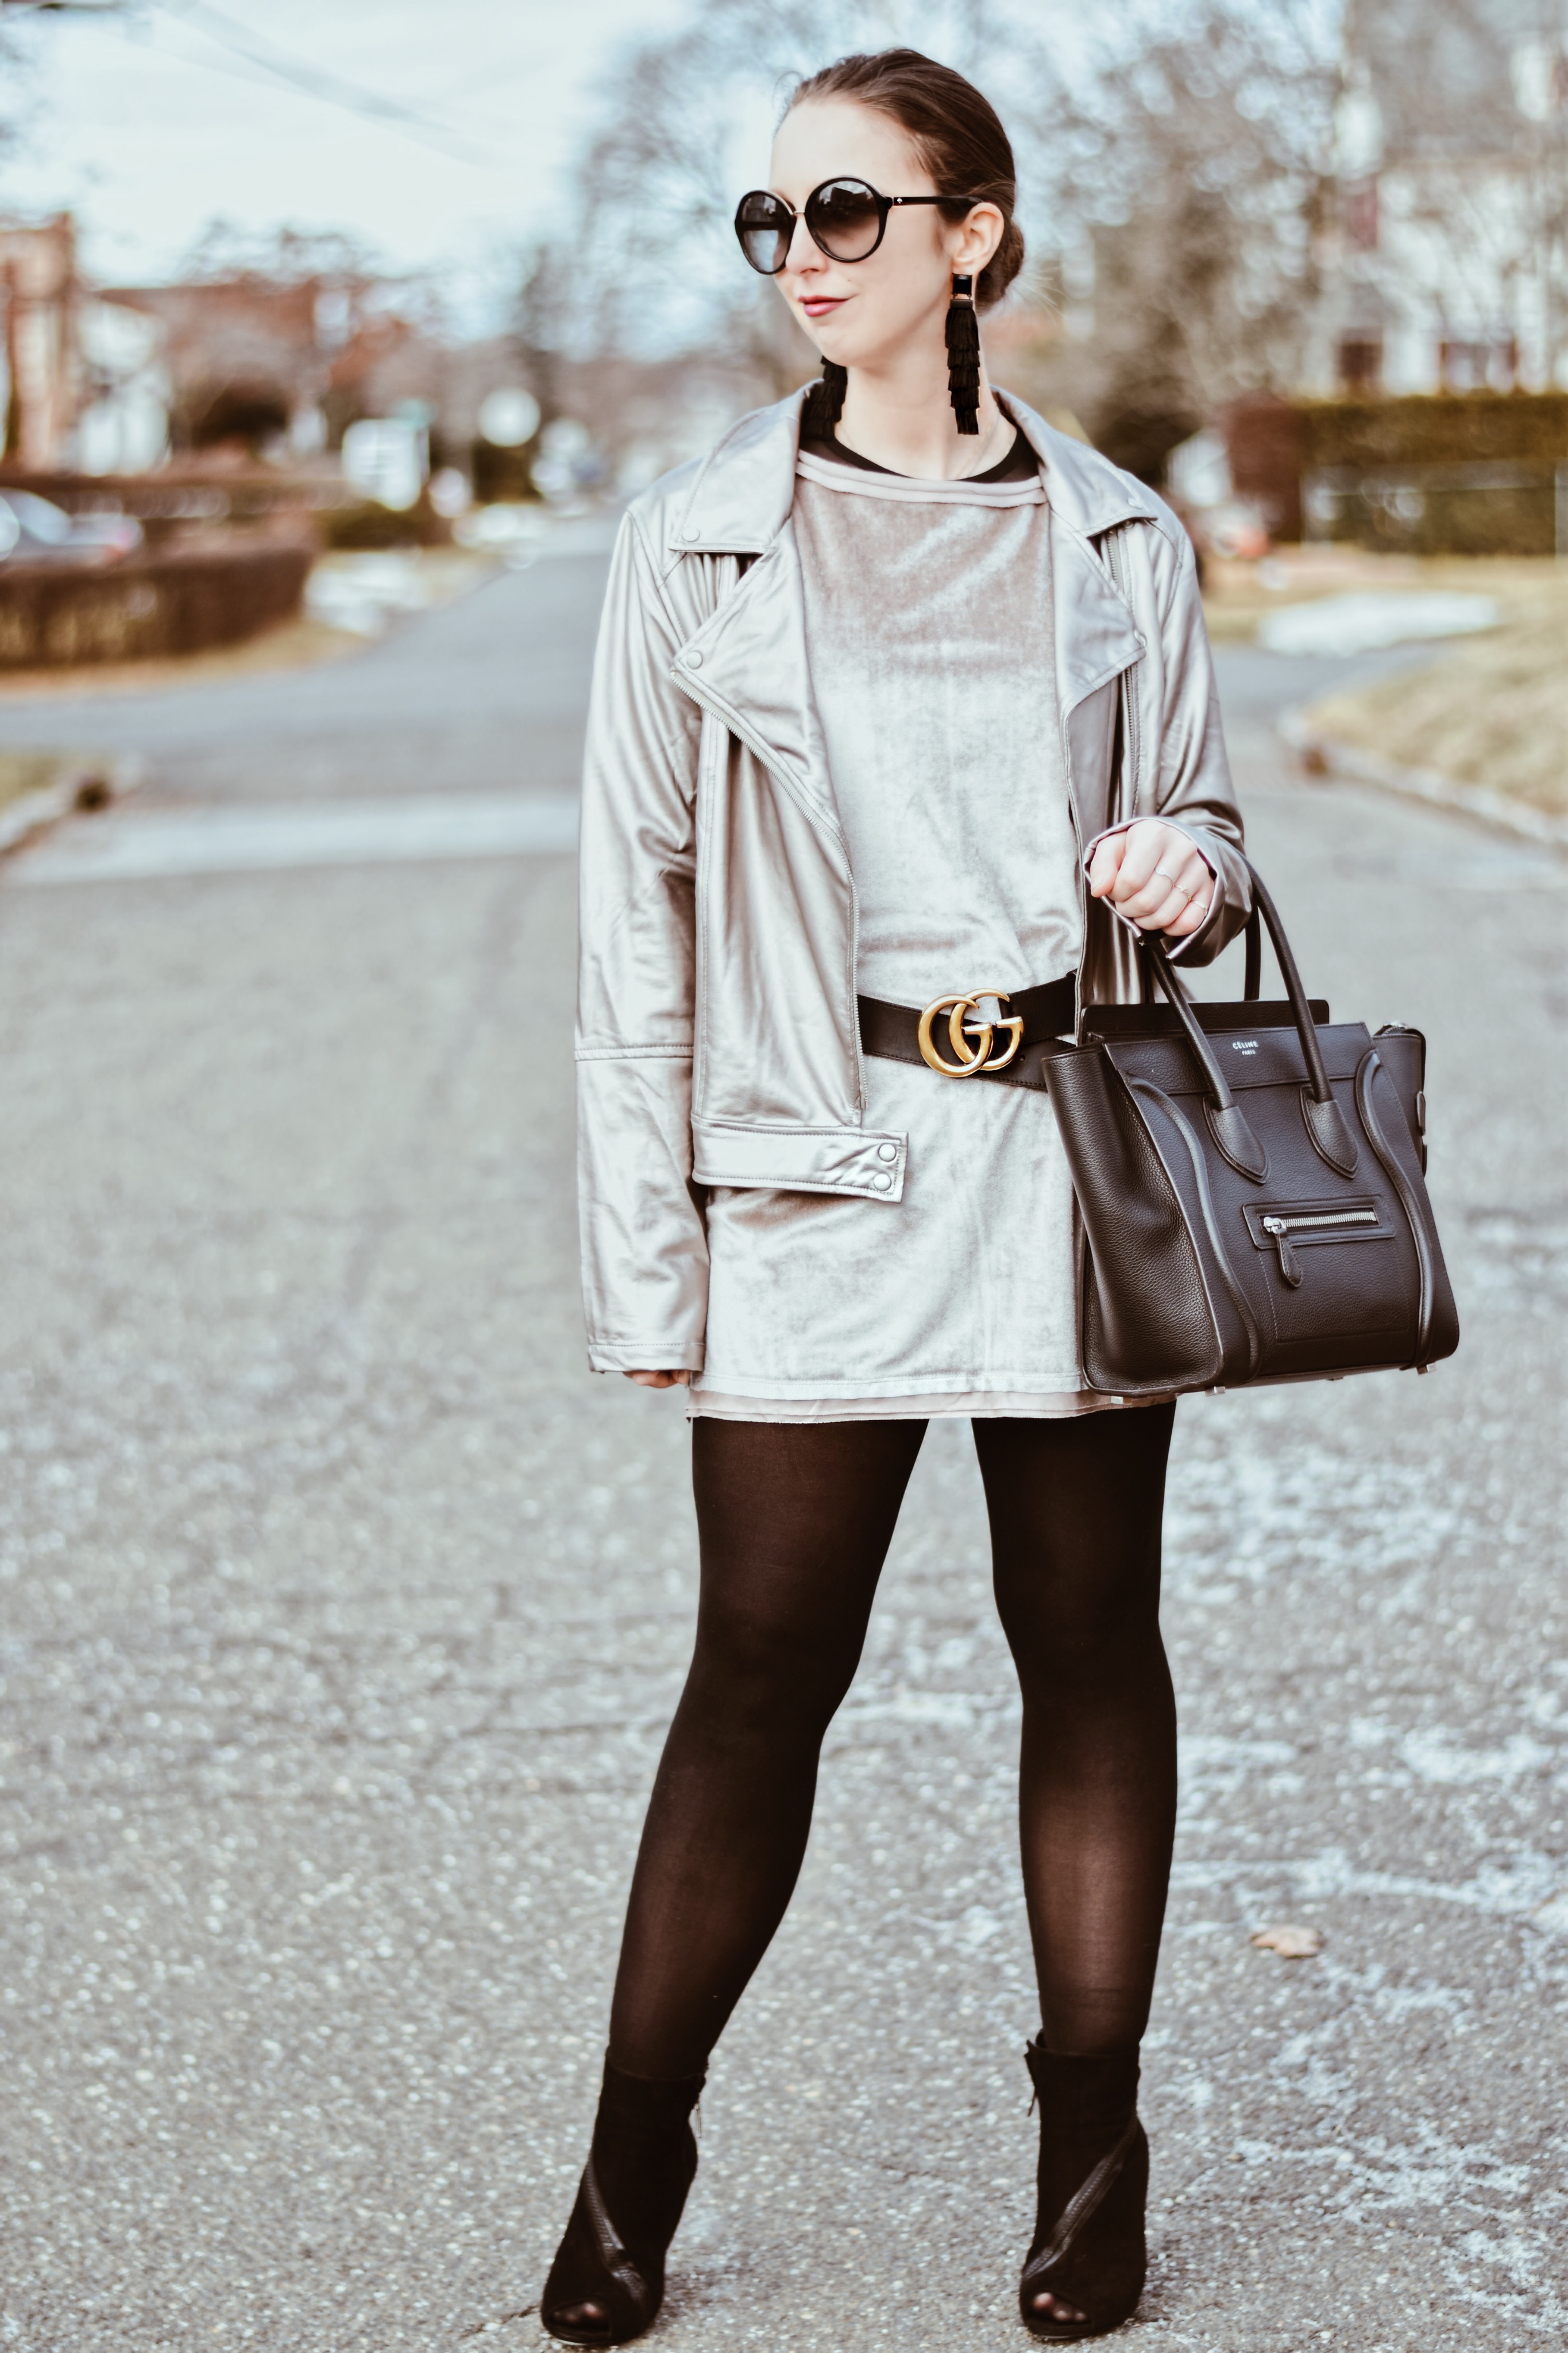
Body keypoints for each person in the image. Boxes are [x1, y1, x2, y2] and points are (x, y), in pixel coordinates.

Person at [544, 46, 1249, 2346]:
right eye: (771, 222)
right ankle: (630, 2158)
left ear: (971, 235)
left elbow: (1207, 842)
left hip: (1062, 1166)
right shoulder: (694, 538)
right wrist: (650, 1252)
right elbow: (625, 921)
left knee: (1085, 1653)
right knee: (755, 1674)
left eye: (844, 214)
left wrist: (1187, 868)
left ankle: (1087, 2146)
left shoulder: (1120, 535)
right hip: (814, 1170)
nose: (800, 260)